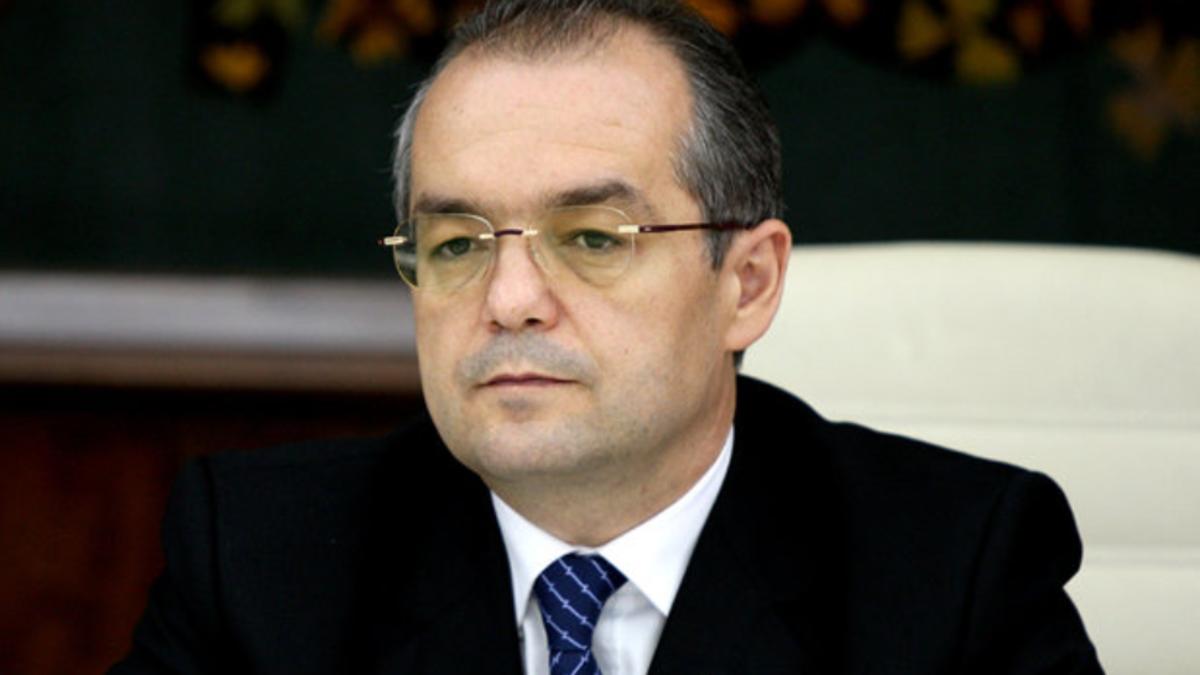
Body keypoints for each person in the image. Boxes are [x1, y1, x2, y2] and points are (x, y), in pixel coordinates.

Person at [111, 0, 1103, 673]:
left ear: (747, 285)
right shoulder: (260, 560)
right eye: (455, 244)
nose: (509, 300)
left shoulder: (954, 572)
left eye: (591, 237)